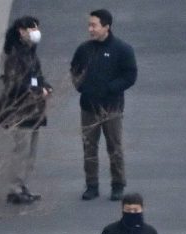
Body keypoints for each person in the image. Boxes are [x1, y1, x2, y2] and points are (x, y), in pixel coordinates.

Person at [69, 9, 137, 202]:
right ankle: (92, 185)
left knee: (114, 146)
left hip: (112, 108)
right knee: (89, 147)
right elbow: (74, 70)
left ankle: (118, 184)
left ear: (106, 27)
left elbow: (130, 76)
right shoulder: (84, 49)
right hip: (88, 107)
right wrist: (81, 86)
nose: (90, 29)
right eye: (89, 25)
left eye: (94, 25)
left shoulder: (122, 49)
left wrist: (110, 88)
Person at [0, 16, 52, 204]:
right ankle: (15, 188)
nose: (35, 32)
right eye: (31, 28)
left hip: (33, 111)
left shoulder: (30, 53)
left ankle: (22, 185)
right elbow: (14, 85)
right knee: (21, 150)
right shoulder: (15, 56)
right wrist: (36, 90)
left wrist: (45, 86)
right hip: (20, 111)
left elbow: (37, 76)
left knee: (29, 152)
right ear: (21, 31)